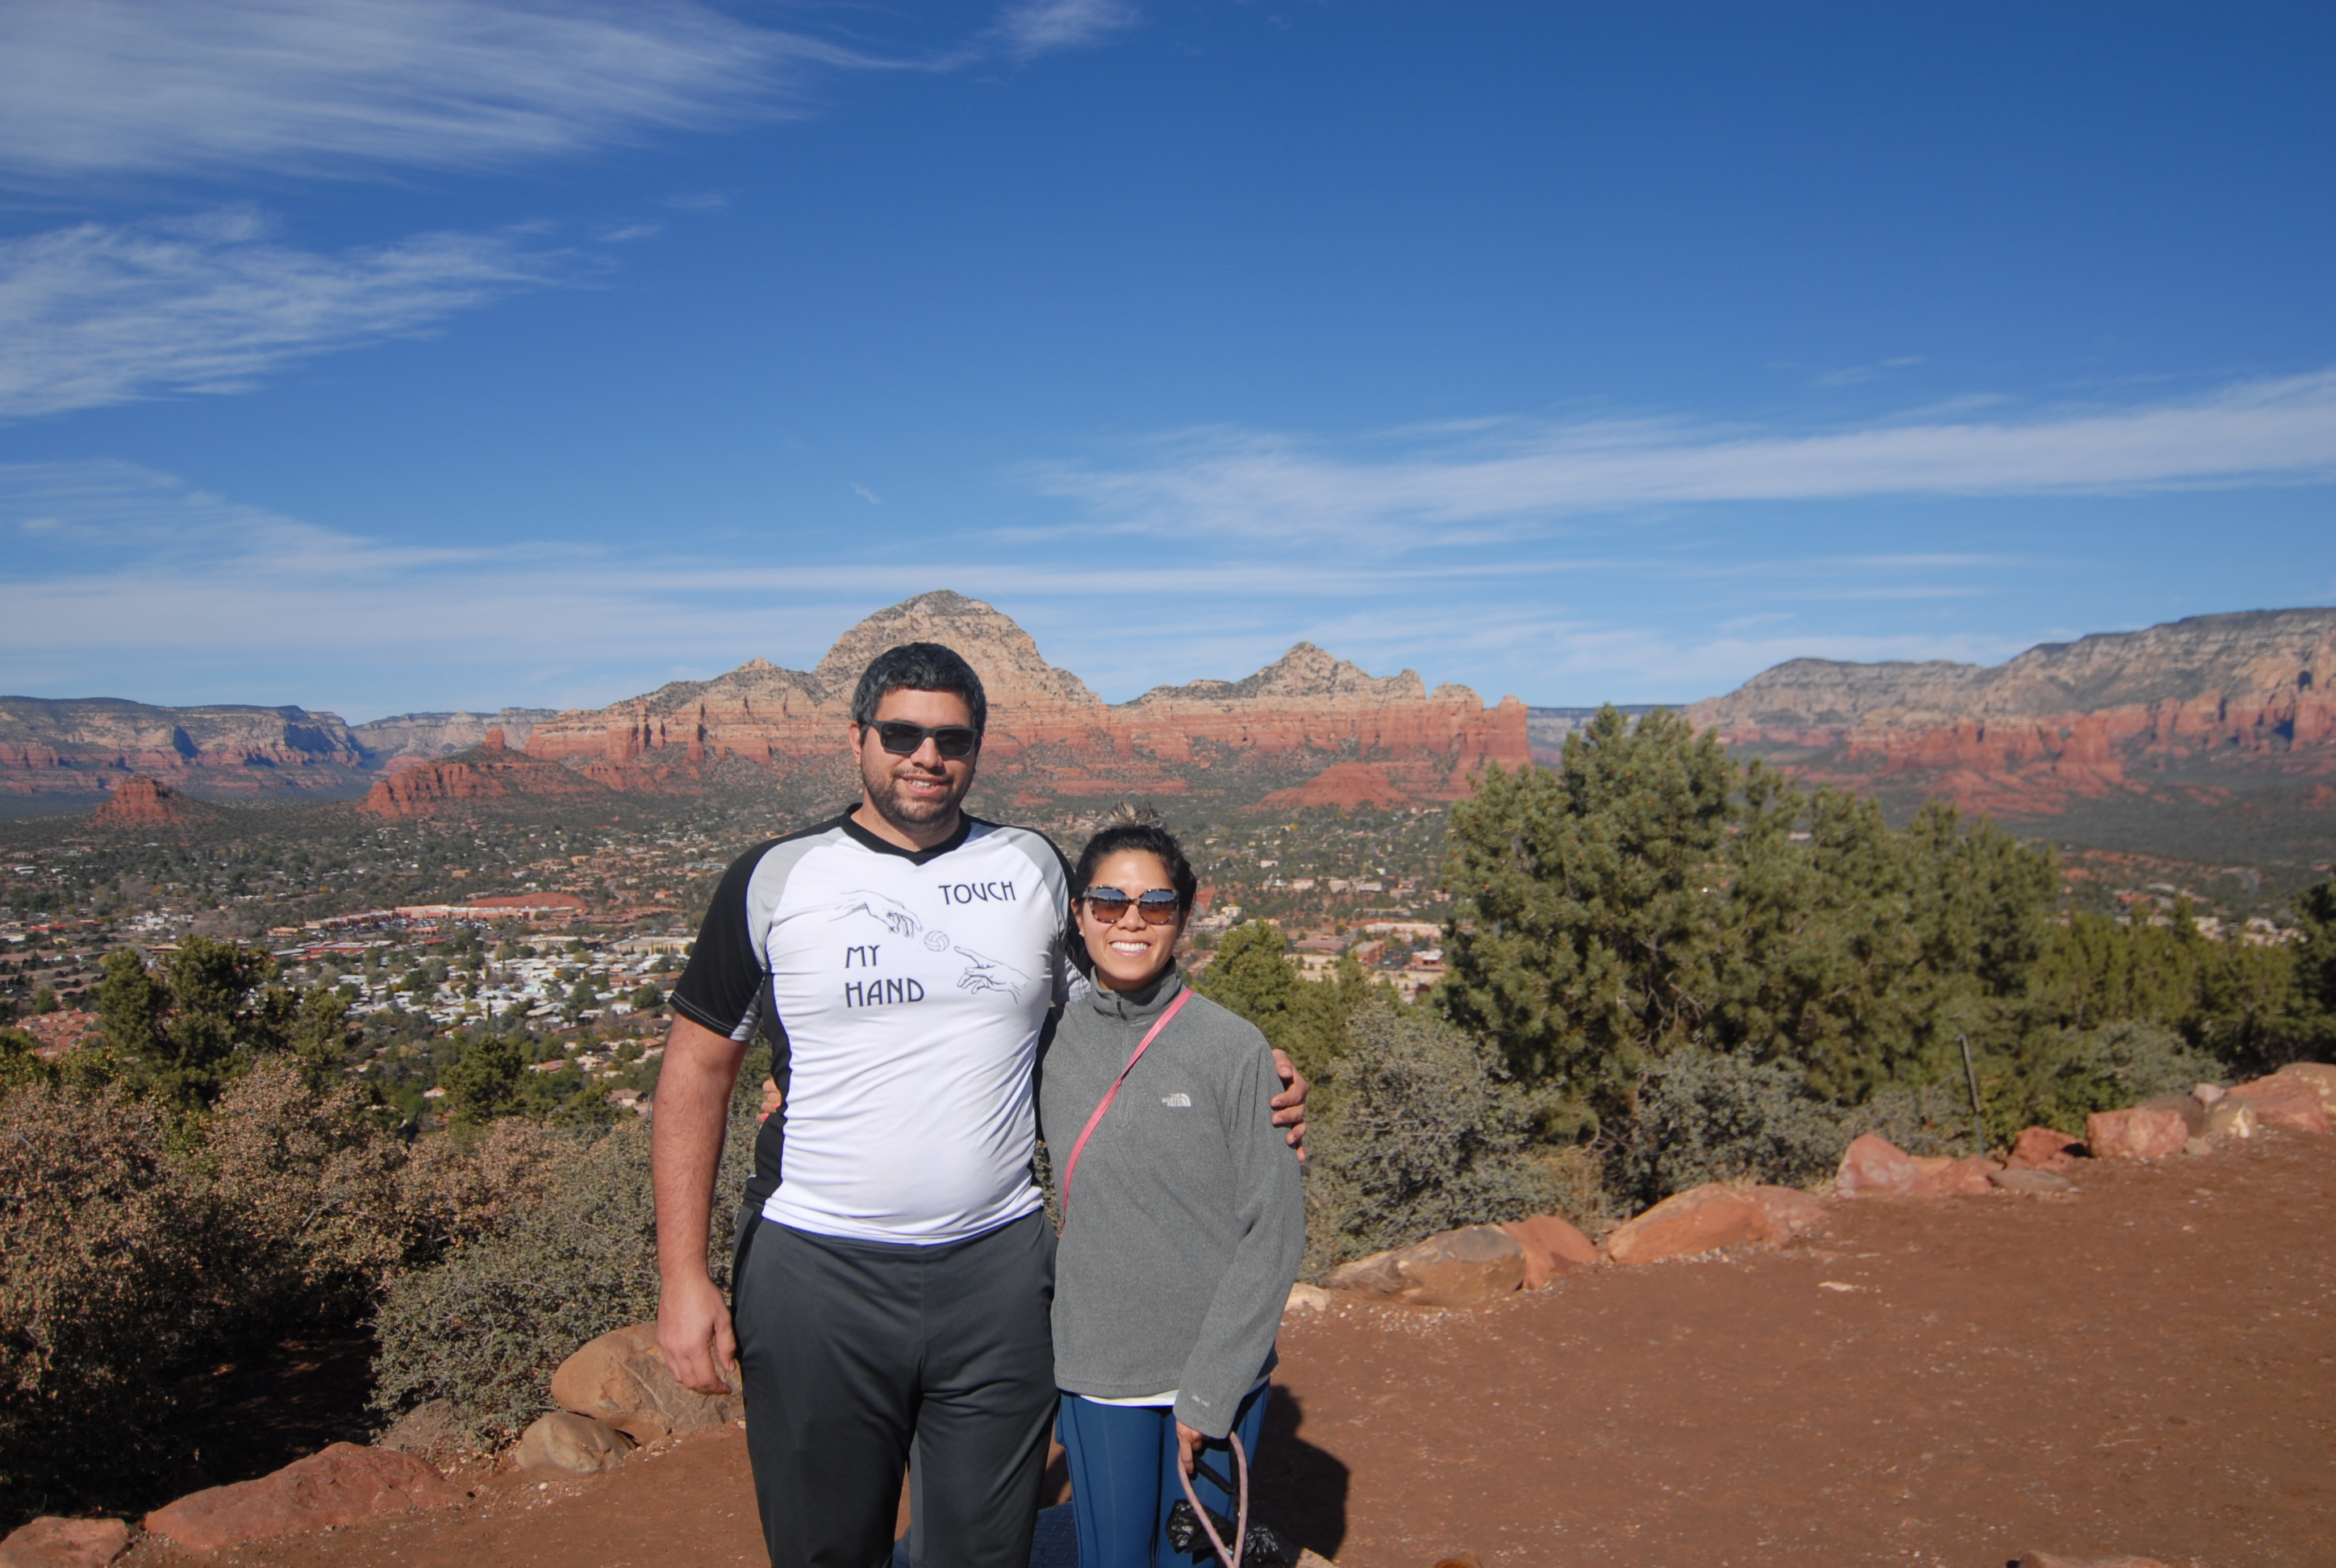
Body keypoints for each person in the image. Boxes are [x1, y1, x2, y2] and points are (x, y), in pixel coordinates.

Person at [651, 642, 1309, 1568]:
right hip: (815, 1271)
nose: (927, 756)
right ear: (857, 738)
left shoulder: (1030, 865)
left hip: (997, 1277)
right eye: (902, 734)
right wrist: (682, 1276)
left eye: (951, 740)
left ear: (977, 749)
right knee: (824, 1548)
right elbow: (695, 1072)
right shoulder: (776, 877)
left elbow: (1117, 1012)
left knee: (982, 1552)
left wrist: (1240, 1069)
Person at [1044, 819, 1304, 1568]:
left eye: (1155, 904)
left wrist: (1212, 1390)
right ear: (1080, 914)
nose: (1130, 920)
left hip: (1214, 1374)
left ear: (1182, 917)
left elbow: (1275, 1228)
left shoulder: (1232, 1047)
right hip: (1099, 1369)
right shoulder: (1046, 1043)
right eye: (1109, 901)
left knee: (1199, 1559)